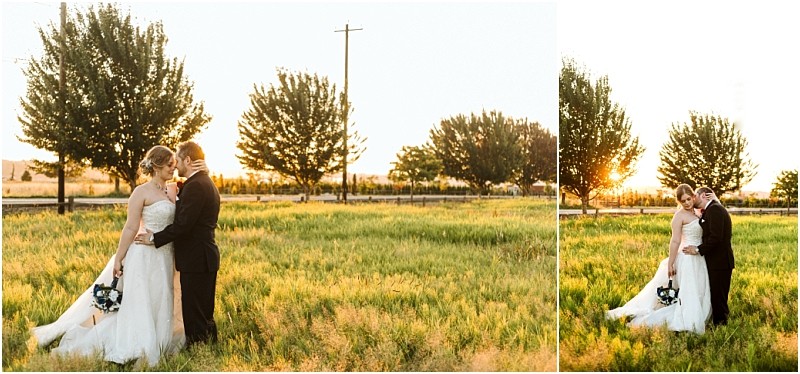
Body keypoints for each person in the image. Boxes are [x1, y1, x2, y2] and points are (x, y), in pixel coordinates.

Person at [31, 145, 186, 367]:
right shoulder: (140, 192)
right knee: (141, 302)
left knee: (161, 301)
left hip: (165, 256)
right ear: (158, 165)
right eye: (170, 165)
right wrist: (119, 258)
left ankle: (159, 342)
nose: (174, 168)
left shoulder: (173, 191)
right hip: (143, 257)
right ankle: (140, 345)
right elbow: (131, 228)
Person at [135, 141, 220, 347]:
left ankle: (199, 349)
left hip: (196, 258)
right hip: (202, 256)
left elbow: (183, 225)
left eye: (178, 161)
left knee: (195, 309)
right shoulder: (201, 182)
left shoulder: (197, 186)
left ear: (188, 160)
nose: (175, 166)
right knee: (203, 308)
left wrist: (154, 238)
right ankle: (209, 346)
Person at [606, 184, 712, 333]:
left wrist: (714, 200)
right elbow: (675, 241)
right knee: (689, 291)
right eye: (683, 201)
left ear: (693, 196)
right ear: (679, 202)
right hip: (687, 258)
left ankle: (700, 313)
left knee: (700, 289)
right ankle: (689, 319)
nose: (687, 203)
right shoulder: (679, 216)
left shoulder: (698, 212)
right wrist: (671, 263)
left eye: (689, 199)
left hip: (699, 257)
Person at [682, 186, 735, 326]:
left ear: (704, 196)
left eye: (695, 196)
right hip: (717, 262)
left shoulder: (715, 209)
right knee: (717, 295)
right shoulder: (712, 209)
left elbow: (716, 237)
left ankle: (721, 326)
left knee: (719, 297)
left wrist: (698, 250)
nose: (693, 199)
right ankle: (718, 322)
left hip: (720, 262)